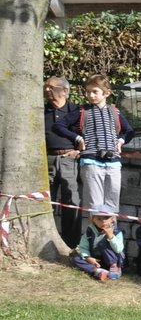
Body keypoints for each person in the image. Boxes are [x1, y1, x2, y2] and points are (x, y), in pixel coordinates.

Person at [61, 74, 133, 218]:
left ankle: (111, 237)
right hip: (91, 161)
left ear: (106, 93)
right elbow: (60, 125)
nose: (91, 95)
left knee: (112, 205)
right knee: (95, 205)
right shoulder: (82, 111)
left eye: (95, 92)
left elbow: (129, 131)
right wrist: (78, 138)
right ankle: (94, 238)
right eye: (88, 92)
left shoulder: (115, 112)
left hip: (113, 162)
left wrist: (120, 141)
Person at [44, 77, 82, 246]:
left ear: (64, 91)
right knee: (46, 200)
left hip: (70, 160)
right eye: (45, 87)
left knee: (72, 201)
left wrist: (79, 152)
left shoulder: (77, 111)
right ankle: (46, 240)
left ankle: (70, 244)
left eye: (51, 87)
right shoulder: (41, 111)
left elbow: (88, 135)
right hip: (47, 160)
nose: (46, 90)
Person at [71, 203, 125, 281]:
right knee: (76, 259)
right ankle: (97, 271)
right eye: (99, 219)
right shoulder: (89, 232)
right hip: (96, 260)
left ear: (112, 218)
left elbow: (119, 249)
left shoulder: (117, 232)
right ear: (93, 219)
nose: (103, 221)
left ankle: (114, 268)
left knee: (102, 243)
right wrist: (88, 258)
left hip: (113, 261)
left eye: (106, 218)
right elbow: (83, 247)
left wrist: (111, 236)